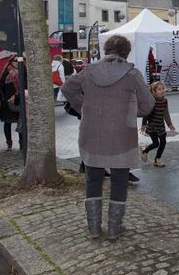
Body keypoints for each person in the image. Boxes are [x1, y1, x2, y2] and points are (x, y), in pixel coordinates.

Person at [61, 35, 154, 240]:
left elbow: (67, 88)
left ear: (105, 51)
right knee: (120, 180)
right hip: (122, 134)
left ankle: (94, 228)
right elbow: (148, 105)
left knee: (93, 178)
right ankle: (114, 228)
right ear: (126, 53)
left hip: (91, 132)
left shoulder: (88, 71)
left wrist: (83, 106)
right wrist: (130, 111)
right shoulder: (133, 74)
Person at [140, 81, 175, 168]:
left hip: (160, 125)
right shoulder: (151, 101)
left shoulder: (165, 100)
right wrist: (144, 125)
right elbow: (146, 113)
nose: (162, 91)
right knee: (156, 143)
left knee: (163, 142)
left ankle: (157, 159)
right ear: (154, 91)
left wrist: (170, 124)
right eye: (159, 89)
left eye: (163, 88)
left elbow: (166, 113)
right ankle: (145, 151)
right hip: (152, 126)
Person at [0, 55, 21, 151]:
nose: (16, 62)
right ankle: (9, 143)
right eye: (14, 60)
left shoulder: (22, 71)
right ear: (11, 61)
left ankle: (22, 143)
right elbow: (1, 87)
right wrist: (4, 99)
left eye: (18, 60)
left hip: (19, 99)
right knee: (7, 122)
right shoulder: (6, 72)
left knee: (21, 122)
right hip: (8, 101)